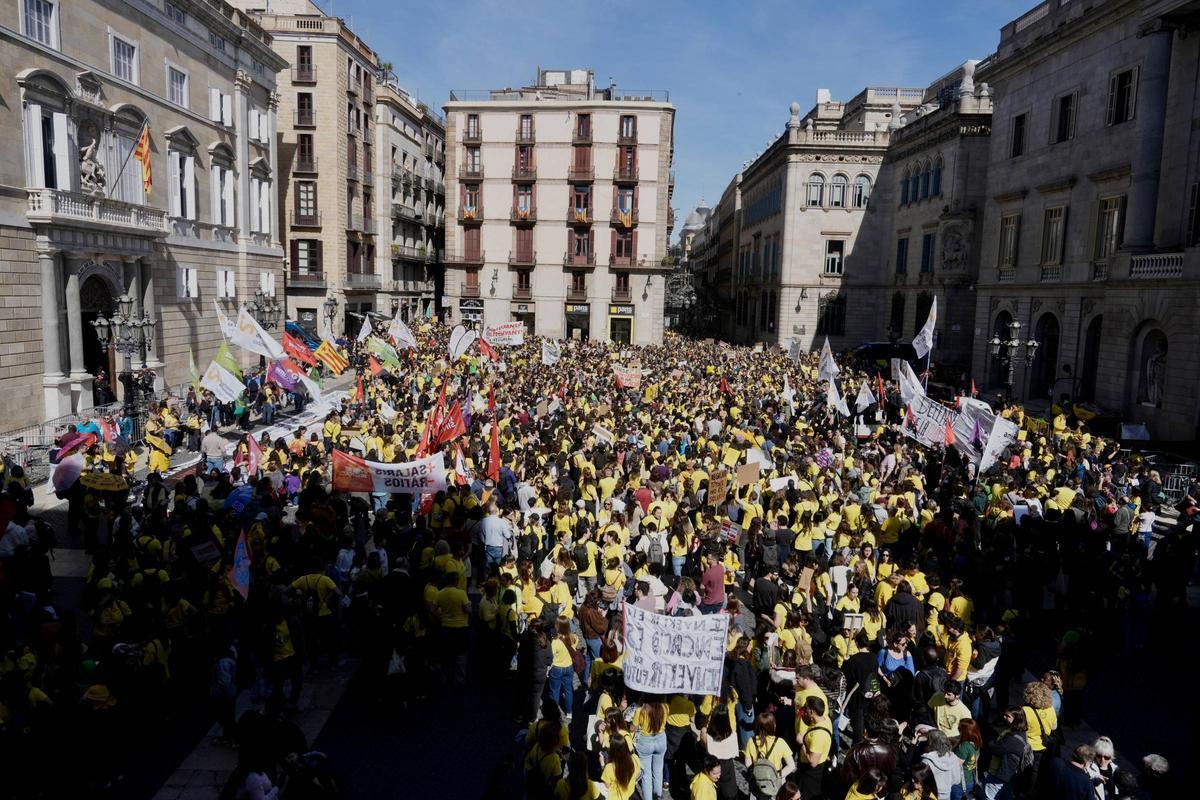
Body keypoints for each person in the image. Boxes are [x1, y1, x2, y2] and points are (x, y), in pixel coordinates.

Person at [743, 711, 795, 798]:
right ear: (773, 726)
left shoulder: (751, 741)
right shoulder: (780, 742)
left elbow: (748, 764)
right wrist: (778, 775)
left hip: (758, 780)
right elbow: (791, 766)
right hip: (776, 781)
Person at [633, 697, 668, 800]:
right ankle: (658, 796)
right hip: (661, 738)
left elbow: (633, 727)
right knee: (658, 771)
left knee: (646, 775)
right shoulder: (665, 707)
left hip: (645, 742)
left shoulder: (641, 710)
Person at [919, 729, 963, 800]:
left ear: (930, 743)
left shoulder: (926, 761)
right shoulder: (953, 757)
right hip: (946, 794)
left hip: (930, 795)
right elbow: (957, 779)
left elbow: (921, 783)